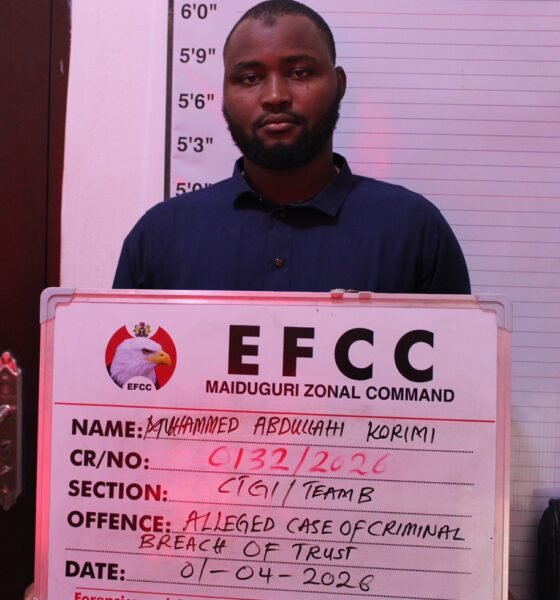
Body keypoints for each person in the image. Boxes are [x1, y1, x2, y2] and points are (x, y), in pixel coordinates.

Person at [113, 0, 470, 294]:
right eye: (250, 78)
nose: (275, 96)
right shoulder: (160, 235)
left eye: (299, 73)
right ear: (223, 94)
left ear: (339, 84)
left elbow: (458, 360)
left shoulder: (414, 230)